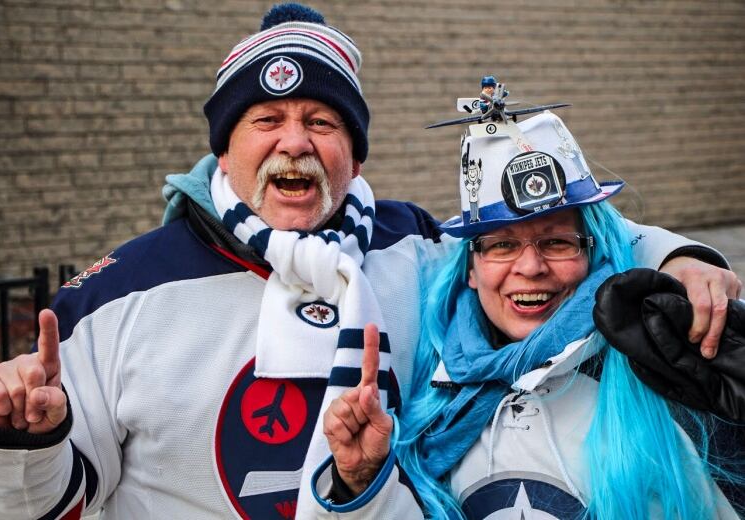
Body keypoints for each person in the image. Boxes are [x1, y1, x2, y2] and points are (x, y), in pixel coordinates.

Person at [0, 4, 739, 519]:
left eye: (322, 121)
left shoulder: (414, 248)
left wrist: (683, 257)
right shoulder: (117, 296)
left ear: (352, 151)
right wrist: (20, 441)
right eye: (265, 119)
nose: (294, 142)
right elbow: (40, 507)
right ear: (223, 151)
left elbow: (549, 238)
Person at [315, 110, 743, 518]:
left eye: (557, 243)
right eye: (501, 245)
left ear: (592, 254)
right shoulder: (435, 400)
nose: (530, 267)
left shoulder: (669, 374)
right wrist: (361, 483)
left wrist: (680, 259)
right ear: (470, 269)